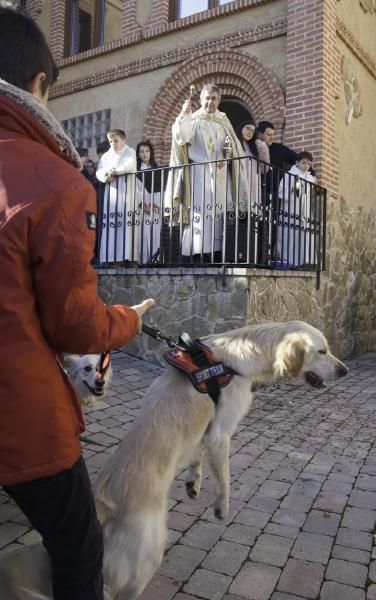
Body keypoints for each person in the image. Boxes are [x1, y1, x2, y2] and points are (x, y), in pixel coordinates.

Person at [0, 7, 154, 600]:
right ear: (38, 85)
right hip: (18, 412)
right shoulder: (55, 179)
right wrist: (128, 321)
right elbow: (74, 322)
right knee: (79, 545)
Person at [167, 83, 248, 262]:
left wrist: (227, 156)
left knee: (219, 213)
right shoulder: (193, 119)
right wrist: (183, 115)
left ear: (219, 100)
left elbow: (234, 148)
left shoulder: (223, 121)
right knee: (200, 213)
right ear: (200, 99)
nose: (210, 102)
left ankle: (218, 253)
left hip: (221, 174)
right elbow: (181, 136)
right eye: (207, 98)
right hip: (199, 173)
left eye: (214, 98)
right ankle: (197, 253)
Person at [96, 129, 136, 264]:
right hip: (112, 193)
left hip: (126, 192)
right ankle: (110, 258)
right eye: (111, 141)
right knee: (112, 224)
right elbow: (99, 171)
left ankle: (127, 258)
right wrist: (106, 175)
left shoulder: (130, 152)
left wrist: (116, 171)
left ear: (124, 140)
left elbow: (129, 166)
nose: (113, 144)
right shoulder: (106, 156)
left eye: (116, 141)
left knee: (126, 224)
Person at [234, 119, 270, 262]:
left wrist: (262, 146)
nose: (250, 132)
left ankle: (250, 254)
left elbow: (264, 169)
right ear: (241, 128)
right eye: (247, 128)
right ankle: (237, 254)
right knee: (238, 218)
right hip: (239, 185)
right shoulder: (235, 144)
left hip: (253, 186)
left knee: (251, 219)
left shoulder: (254, 148)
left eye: (253, 131)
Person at [277, 151, 317, 268]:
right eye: (304, 162)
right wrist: (292, 188)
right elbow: (281, 192)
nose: (306, 166)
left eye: (308, 164)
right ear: (297, 162)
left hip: (304, 210)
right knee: (289, 234)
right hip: (291, 208)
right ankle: (286, 260)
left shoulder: (309, 178)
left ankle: (300, 262)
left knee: (302, 234)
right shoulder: (289, 174)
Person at [135, 140, 162, 263]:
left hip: (155, 208)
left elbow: (161, 189)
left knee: (155, 235)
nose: (145, 154)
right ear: (138, 154)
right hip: (141, 208)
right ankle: (143, 261)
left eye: (147, 151)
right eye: (142, 151)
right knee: (142, 236)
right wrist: (142, 204)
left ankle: (155, 261)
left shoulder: (156, 169)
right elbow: (134, 190)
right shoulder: (135, 171)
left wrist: (155, 204)